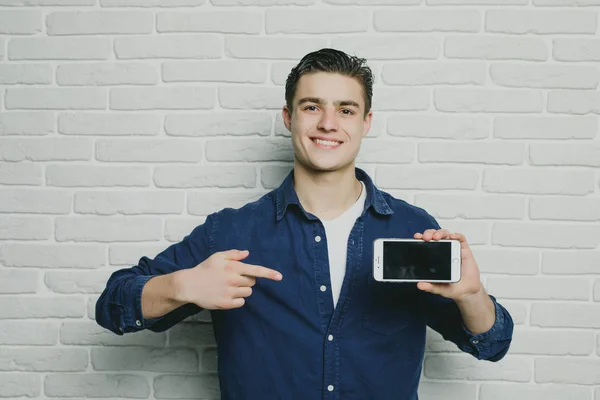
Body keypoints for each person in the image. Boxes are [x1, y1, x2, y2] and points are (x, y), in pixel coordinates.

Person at [96, 48, 513, 400]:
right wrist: (181, 285)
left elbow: (492, 343)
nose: (328, 123)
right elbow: (113, 305)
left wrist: (472, 295)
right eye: (312, 107)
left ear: (365, 122)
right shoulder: (232, 232)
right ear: (288, 117)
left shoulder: (412, 227)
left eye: (345, 110)